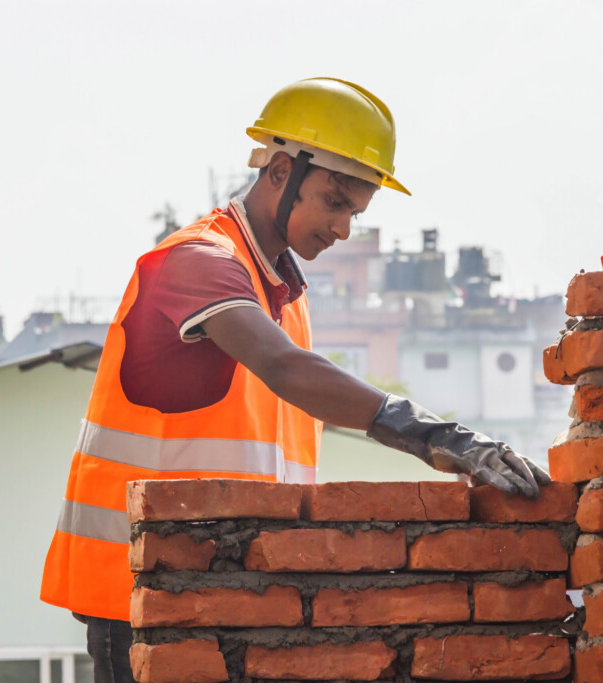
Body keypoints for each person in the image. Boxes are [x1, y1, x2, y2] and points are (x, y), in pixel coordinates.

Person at [40, 77, 551, 683]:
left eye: (355, 212)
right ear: (280, 170)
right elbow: (286, 369)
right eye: (334, 202)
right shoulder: (198, 261)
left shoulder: (282, 293)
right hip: (146, 603)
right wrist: (439, 436)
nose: (342, 229)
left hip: (234, 598)